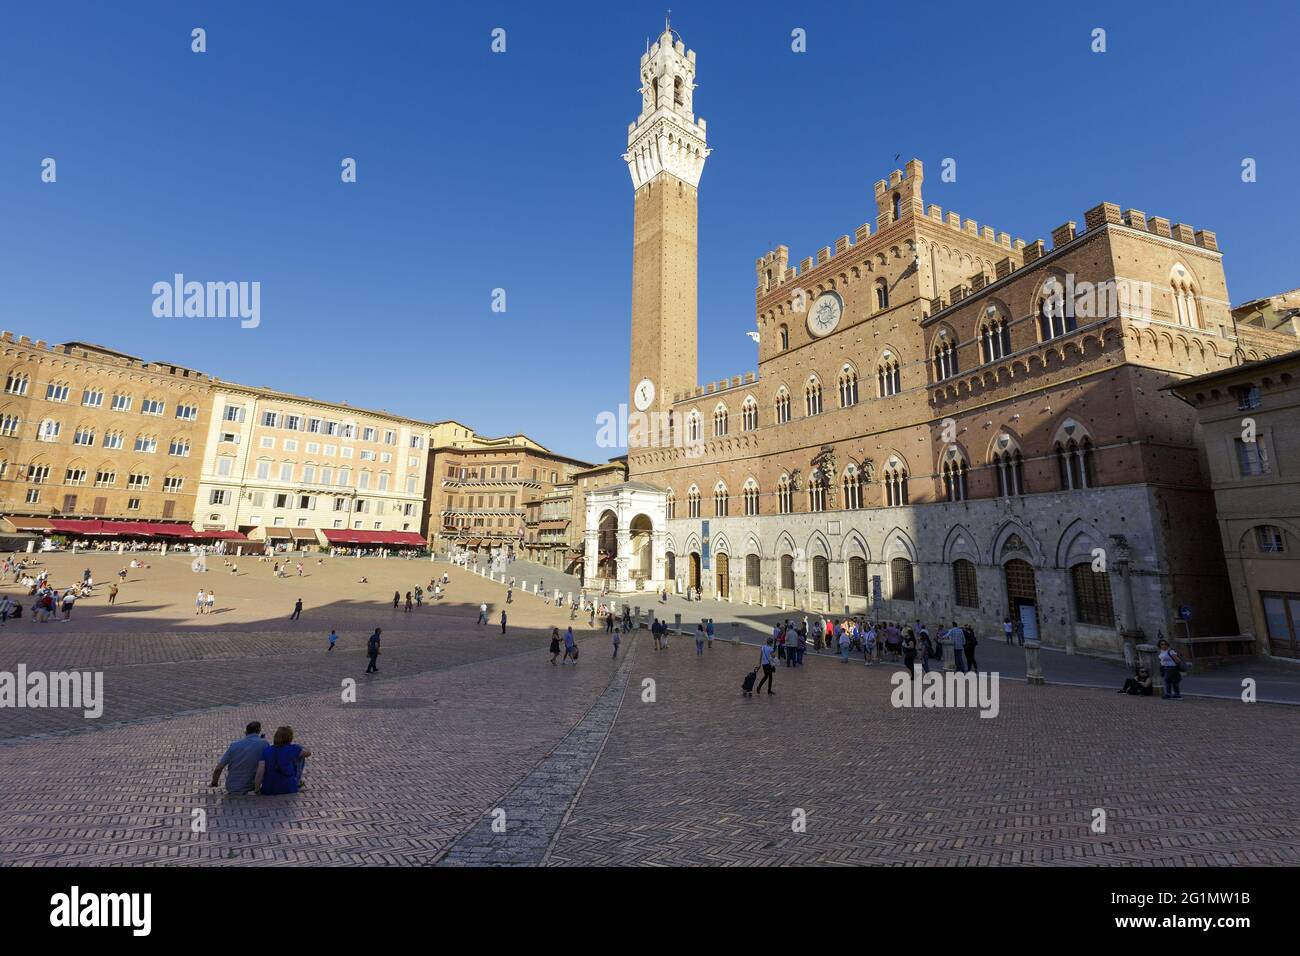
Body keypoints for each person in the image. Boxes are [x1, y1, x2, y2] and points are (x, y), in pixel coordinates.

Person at [210, 721, 266, 794]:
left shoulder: (234, 745)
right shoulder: (264, 744)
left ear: (246, 732)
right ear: (259, 731)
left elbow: (219, 768)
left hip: (232, 787)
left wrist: (214, 782)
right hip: (251, 786)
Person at [255, 726, 311, 795]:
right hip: (288, 788)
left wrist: (257, 789)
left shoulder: (266, 750)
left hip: (269, 789)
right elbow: (308, 752)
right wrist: (299, 746)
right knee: (300, 757)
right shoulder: (293, 748)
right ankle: (297, 781)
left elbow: (260, 771)